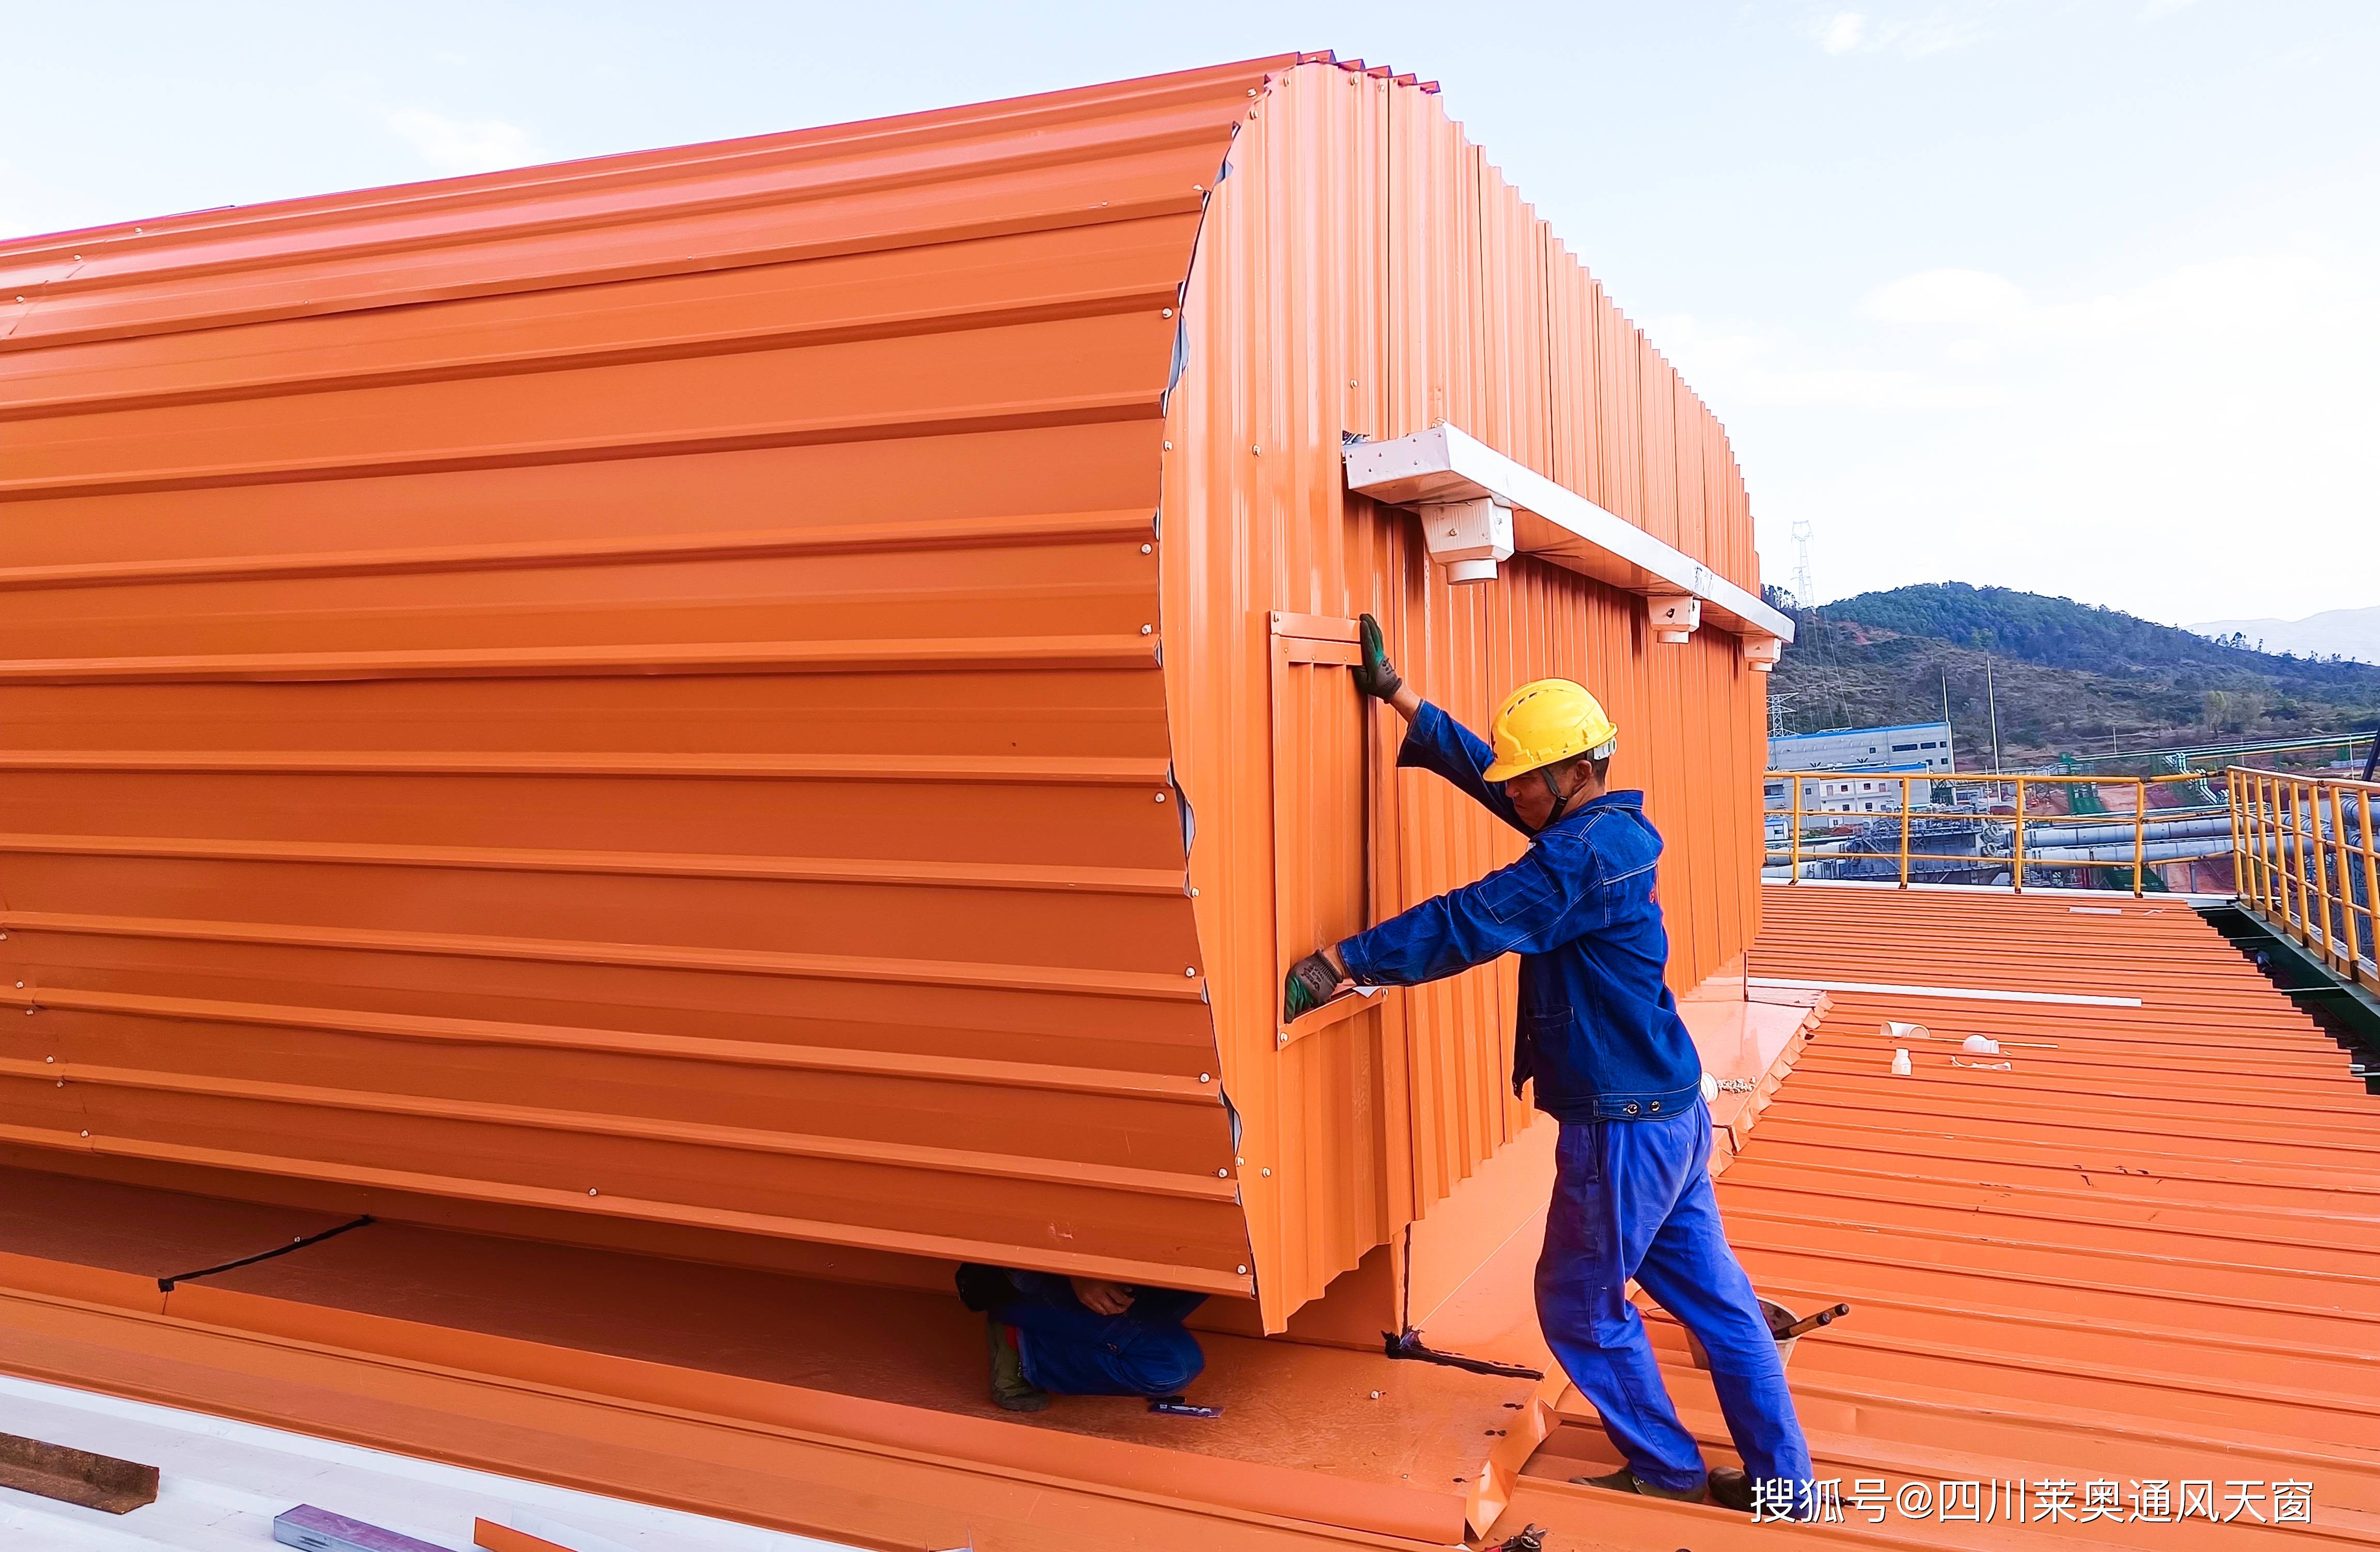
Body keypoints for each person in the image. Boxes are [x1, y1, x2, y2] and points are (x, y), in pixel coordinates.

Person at [1281, 615, 1814, 1517]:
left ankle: (1666, 1466)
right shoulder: (1603, 828)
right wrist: (1401, 697)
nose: (1515, 794)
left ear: (1574, 772)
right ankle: (1784, 1484)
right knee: (1720, 1305)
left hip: (1620, 1128)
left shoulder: (1577, 856)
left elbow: (1468, 919)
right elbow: (1507, 791)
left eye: (1528, 780)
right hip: (1672, 1113)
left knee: (1574, 1300)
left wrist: (1340, 962)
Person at [954, 1263, 1207, 1413]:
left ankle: (1080, 1328)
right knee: (1172, 1366)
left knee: (1205, 1272)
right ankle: (1023, 1343)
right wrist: (1077, 1267)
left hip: (1111, 1260)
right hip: (1032, 1273)